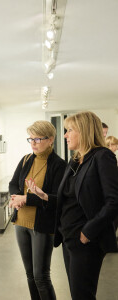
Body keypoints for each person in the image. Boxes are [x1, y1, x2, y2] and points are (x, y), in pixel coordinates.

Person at [52, 111, 118, 300]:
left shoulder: (102, 157)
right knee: (76, 293)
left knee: (83, 295)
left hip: (86, 241)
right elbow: (68, 197)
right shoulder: (75, 160)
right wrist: (44, 197)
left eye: (69, 130)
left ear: (84, 131)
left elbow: (113, 201)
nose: (65, 135)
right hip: (68, 238)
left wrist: (88, 231)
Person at [9, 120, 66, 300]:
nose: (33, 143)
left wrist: (27, 198)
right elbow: (13, 184)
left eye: (38, 139)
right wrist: (16, 198)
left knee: (41, 276)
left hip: (42, 226)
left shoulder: (59, 165)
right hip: (21, 223)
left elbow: (57, 199)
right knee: (30, 275)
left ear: (50, 140)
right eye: (30, 139)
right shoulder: (26, 159)